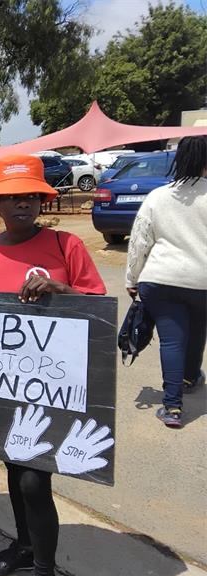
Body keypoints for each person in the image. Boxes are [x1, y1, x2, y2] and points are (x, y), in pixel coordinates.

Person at [0, 155, 106, 576]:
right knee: (12, 468)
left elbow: (98, 307)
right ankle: (24, 546)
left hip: (51, 388)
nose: (21, 203)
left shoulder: (67, 246)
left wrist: (64, 291)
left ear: (41, 200)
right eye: (11, 197)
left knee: (33, 479)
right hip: (1, 387)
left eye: (29, 195)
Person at [126, 136, 207, 428]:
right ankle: (190, 377)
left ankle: (172, 408)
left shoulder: (158, 196)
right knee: (198, 332)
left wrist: (132, 278)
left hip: (160, 279)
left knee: (172, 340)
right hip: (203, 282)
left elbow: (139, 242)